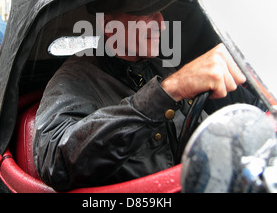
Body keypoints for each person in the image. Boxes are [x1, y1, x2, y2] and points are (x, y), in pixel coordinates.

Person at [33, 10, 261, 192]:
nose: (160, 22)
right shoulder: (75, 79)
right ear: (108, 24)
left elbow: (249, 115)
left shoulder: (164, 65)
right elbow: (55, 161)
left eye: (160, 11)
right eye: (145, 12)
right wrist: (170, 90)